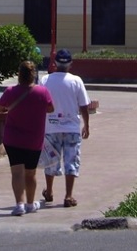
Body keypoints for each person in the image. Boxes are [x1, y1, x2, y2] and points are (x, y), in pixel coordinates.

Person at [0, 60, 54, 216]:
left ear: (19, 74)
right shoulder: (43, 92)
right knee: (31, 173)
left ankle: (19, 205)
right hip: (34, 140)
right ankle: (30, 204)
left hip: (13, 139)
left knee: (17, 173)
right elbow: (50, 108)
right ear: (34, 75)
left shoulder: (10, 91)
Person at [40, 48, 91, 209]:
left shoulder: (45, 80)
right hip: (72, 128)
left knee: (50, 161)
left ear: (55, 63)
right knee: (71, 161)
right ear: (70, 64)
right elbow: (84, 105)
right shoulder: (76, 81)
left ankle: (49, 192)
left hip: (50, 127)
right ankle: (68, 196)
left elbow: (40, 103)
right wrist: (86, 125)